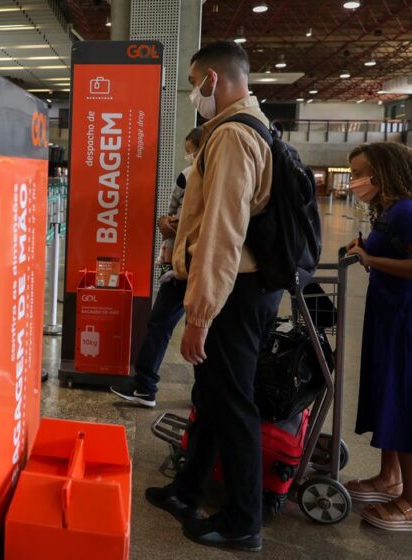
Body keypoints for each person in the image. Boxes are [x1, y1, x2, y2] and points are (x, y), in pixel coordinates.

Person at [145, 41, 281, 552]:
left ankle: (243, 520)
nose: (192, 95)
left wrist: (199, 314)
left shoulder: (231, 137)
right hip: (238, 288)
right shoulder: (248, 127)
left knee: (232, 403)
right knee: (212, 397)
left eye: (194, 84)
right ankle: (188, 488)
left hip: (233, 294)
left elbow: (224, 234)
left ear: (212, 81)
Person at [342, 142, 412, 532]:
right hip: (387, 316)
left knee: (402, 399)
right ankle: (389, 479)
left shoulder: (406, 211)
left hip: (404, 320)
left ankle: (409, 501)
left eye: (359, 173)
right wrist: (365, 249)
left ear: (382, 171)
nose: (355, 182)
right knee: (388, 394)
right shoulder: (387, 210)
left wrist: (373, 260)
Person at [111, 127, 203, 408]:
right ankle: (202, 394)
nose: (190, 156)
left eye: (192, 150)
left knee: (162, 323)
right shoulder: (200, 175)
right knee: (201, 329)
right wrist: (168, 223)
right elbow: (173, 214)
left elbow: (177, 216)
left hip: (187, 264)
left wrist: (170, 226)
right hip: (198, 264)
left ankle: (145, 385)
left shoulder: (192, 176)